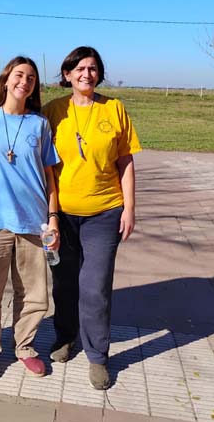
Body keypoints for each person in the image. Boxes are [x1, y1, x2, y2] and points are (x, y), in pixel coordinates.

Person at [43, 46, 141, 390]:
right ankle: (65, 337)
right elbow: (41, 160)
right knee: (64, 283)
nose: (87, 74)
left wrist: (130, 207)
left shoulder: (114, 109)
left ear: (99, 74)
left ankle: (98, 355)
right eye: (80, 68)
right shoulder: (53, 111)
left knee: (95, 287)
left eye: (93, 68)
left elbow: (125, 161)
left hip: (104, 212)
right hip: (61, 215)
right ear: (67, 74)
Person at [0, 56, 59, 383]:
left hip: (33, 221)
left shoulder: (39, 124)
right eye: (19, 75)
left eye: (31, 78)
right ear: (6, 79)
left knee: (34, 294)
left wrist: (53, 217)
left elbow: (49, 175)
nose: (25, 81)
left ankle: (24, 347)